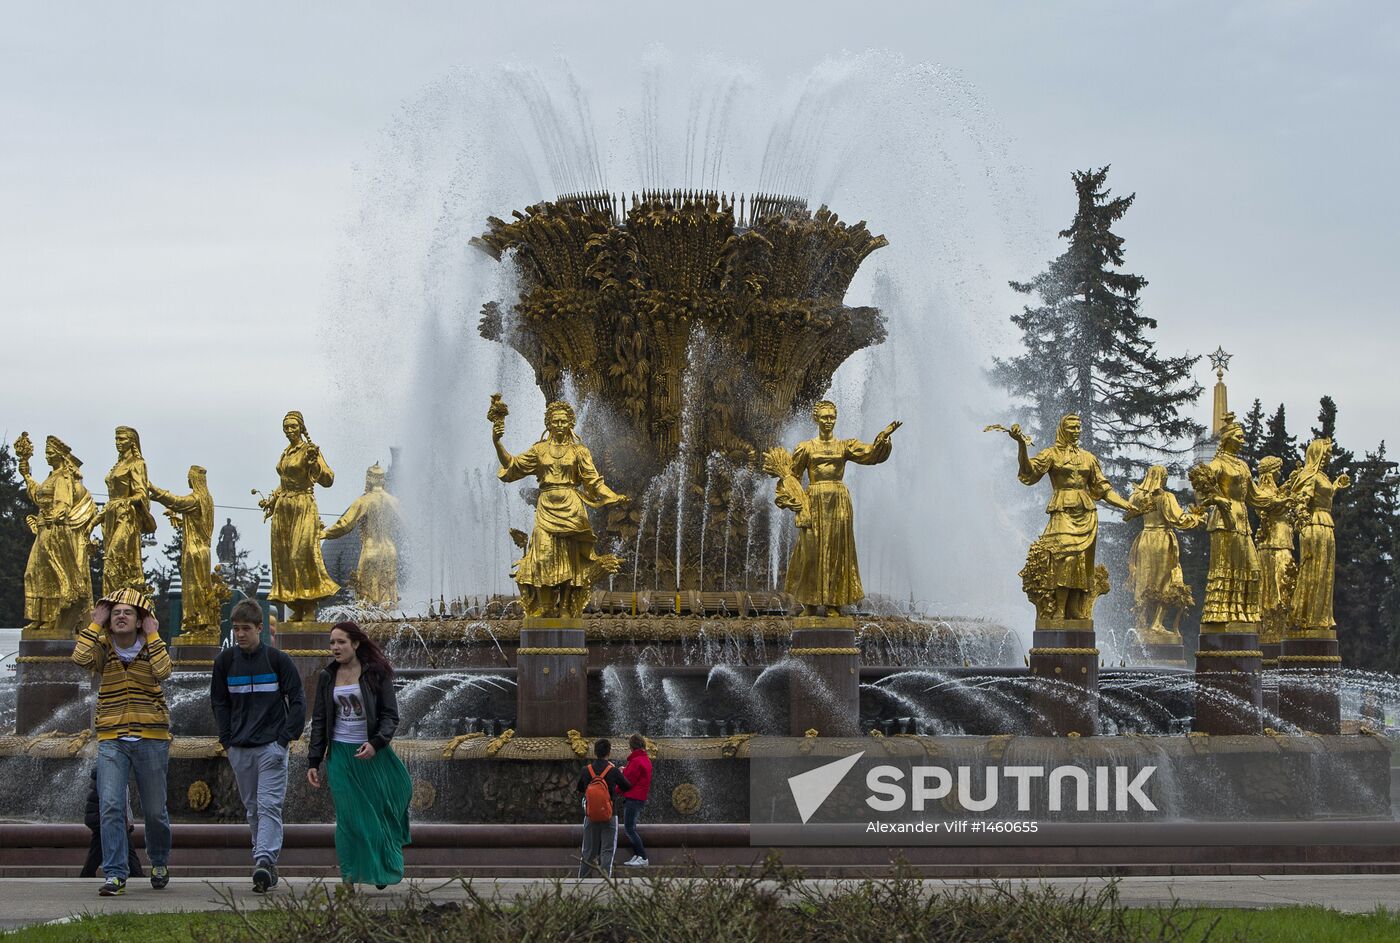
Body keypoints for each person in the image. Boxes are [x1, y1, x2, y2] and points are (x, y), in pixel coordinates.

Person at [71, 588, 173, 896]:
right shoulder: (103, 648)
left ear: (141, 620)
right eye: (115, 612)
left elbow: (164, 671)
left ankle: (158, 861)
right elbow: (79, 658)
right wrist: (94, 623)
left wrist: (153, 635)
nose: (120, 616)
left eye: (128, 612)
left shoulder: (152, 646)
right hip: (112, 737)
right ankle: (116, 874)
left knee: (155, 810)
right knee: (111, 805)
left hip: (152, 737)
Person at [493, 399, 629, 618]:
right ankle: (545, 605)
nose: (558, 425)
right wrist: (497, 441)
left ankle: (566, 605)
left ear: (570, 424)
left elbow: (593, 481)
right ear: (548, 423)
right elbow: (513, 465)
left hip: (571, 507)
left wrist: (614, 496)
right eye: (554, 421)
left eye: (563, 421)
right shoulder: (539, 450)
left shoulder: (579, 451)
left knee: (569, 556)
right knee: (543, 554)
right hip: (546, 505)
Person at [306, 621, 412, 888]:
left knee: (377, 812)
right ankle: (350, 877)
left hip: (371, 754)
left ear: (355, 643)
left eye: (341, 642)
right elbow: (320, 719)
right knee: (348, 818)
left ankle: (381, 864)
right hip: (341, 755)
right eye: (332, 643)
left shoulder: (376, 673)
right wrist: (314, 760)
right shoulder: (327, 676)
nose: (335, 647)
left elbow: (390, 715)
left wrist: (376, 743)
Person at [212, 599, 307, 893]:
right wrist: (227, 741)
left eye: (246, 629)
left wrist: (284, 740)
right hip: (239, 748)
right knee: (253, 808)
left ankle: (263, 861)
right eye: (236, 628)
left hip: (271, 748)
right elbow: (219, 703)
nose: (240, 634)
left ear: (260, 629)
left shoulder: (279, 661)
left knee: (269, 805)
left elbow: (298, 700)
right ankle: (265, 861)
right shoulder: (225, 662)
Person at [770, 401, 899, 614]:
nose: (829, 421)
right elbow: (792, 475)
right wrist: (790, 497)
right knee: (810, 552)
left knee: (838, 551)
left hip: (838, 501)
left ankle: (833, 604)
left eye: (832, 417)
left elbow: (870, 454)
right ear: (816, 419)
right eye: (824, 417)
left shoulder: (844, 446)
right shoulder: (806, 448)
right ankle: (810, 603)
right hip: (813, 501)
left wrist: (882, 438)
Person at [1007, 414, 1133, 621]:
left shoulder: (1088, 458)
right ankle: (1058, 609)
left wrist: (1126, 504)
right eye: (1072, 428)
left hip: (1086, 512)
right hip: (1062, 510)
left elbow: (1103, 489)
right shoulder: (1051, 454)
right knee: (1065, 558)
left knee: (1080, 561)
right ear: (1063, 429)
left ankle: (1073, 608)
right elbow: (1028, 473)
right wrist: (1021, 445)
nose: (1076, 431)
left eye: (1078, 428)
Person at [13, 432, 97, 635]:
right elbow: (40, 495)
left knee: (51, 576)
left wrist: (57, 516)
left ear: (59, 455)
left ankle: (52, 620)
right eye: (46, 453)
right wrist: (26, 475)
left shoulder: (63, 478)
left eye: (50, 452)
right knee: (35, 573)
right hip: (43, 530)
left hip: (54, 532)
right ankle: (38, 618)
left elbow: (63, 503)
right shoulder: (52, 477)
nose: (47, 456)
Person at [261, 410, 339, 622]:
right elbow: (285, 480)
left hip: (303, 506)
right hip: (284, 509)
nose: (289, 431)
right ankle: (297, 605)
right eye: (286, 427)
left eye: (293, 426)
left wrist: (313, 463)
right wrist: (272, 499)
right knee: (284, 558)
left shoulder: (309, 449)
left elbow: (328, 479)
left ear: (301, 427)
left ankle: (310, 603)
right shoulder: (286, 452)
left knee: (300, 554)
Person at [1123, 465, 1201, 642]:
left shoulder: (1138, 497)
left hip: (1144, 541)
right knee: (1166, 581)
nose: (1165, 479)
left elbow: (1127, 514)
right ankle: (1156, 623)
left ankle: (1141, 623)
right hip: (1161, 541)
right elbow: (1179, 519)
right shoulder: (1166, 497)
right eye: (1165, 476)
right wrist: (1197, 518)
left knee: (1144, 580)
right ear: (1161, 478)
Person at [1290, 438, 1349, 633]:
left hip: (1325, 524)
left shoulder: (1321, 475)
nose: (1328, 457)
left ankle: (1321, 616)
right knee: (1314, 570)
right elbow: (1301, 501)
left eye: (1330, 454)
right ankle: (1307, 617)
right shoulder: (1310, 475)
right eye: (1326, 453)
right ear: (1317, 453)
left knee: (1325, 572)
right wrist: (1303, 523)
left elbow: (1322, 496)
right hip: (1314, 526)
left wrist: (1335, 486)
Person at [98, 425, 157, 596]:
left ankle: (118, 602)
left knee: (115, 560)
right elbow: (111, 500)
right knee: (109, 560)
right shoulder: (117, 465)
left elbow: (141, 493)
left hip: (126, 517)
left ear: (132, 442)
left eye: (122, 439)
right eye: (116, 439)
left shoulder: (137, 463)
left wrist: (125, 501)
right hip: (110, 517)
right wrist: (93, 521)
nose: (118, 442)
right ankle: (110, 602)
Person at [576, 738, 631, 878]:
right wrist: (619, 775)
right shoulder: (613, 771)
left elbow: (580, 788)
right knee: (607, 849)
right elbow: (627, 787)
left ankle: (583, 879)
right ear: (609, 752)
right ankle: (605, 879)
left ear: (595, 752)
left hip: (590, 814)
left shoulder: (586, 770)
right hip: (610, 814)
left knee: (588, 849)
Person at [80, 766, 144, 879]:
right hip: (107, 819)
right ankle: (137, 873)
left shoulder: (106, 777)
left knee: (97, 850)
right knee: (127, 849)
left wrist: (128, 819)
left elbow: (124, 802)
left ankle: (87, 874)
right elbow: (119, 802)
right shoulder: (111, 778)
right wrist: (126, 821)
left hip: (101, 819)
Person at [619, 733, 653, 868]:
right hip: (639, 798)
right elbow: (635, 776)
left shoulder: (636, 761)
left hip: (633, 798)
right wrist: (625, 770)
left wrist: (615, 789)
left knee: (629, 829)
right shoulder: (644, 759)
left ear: (631, 746)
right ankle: (637, 855)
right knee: (631, 828)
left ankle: (643, 857)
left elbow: (628, 781)